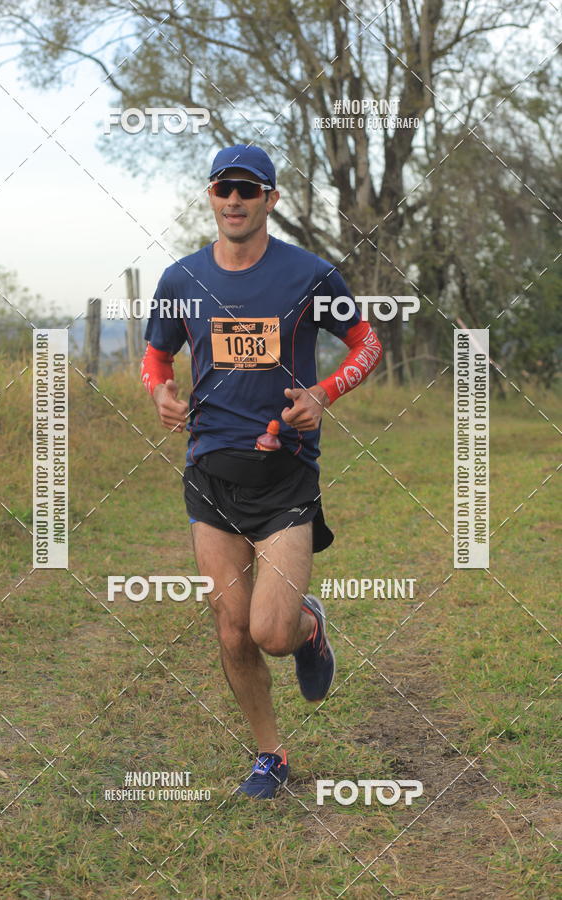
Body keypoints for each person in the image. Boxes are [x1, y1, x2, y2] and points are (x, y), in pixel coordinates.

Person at [141, 144, 382, 799]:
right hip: (209, 475)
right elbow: (157, 357)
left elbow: (368, 342)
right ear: (212, 196)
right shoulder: (181, 280)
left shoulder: (308, 274)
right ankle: (270, 754)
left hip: (286, 476)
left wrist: (322, 396)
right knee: (230, 627)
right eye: (225, 189)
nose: (236, 200)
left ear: (271, 200)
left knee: (269, 631)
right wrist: (161, 392)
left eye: (250, 189)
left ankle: (307, 626)